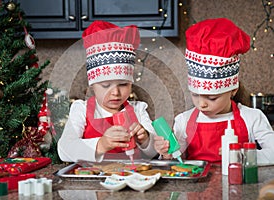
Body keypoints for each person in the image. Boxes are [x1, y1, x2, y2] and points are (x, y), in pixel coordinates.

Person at [154, 18, 274, 165]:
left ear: (233, 90)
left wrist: (240, 155)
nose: (201, 104)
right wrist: (166, 154)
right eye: (195, 95)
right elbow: (176, 159)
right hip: (195, 187)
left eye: (212, 98)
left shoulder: (252, 118)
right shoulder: (183, 121)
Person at [58, 20, 157, 162]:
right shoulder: (81, 110)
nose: (115, 92)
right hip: (95, 180)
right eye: (105, 85)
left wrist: (146, 139)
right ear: (92, 85)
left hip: (134, 177)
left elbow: (153, 152)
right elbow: (64, 149)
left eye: (123, 84)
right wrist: (101, 144)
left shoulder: (138, 110)